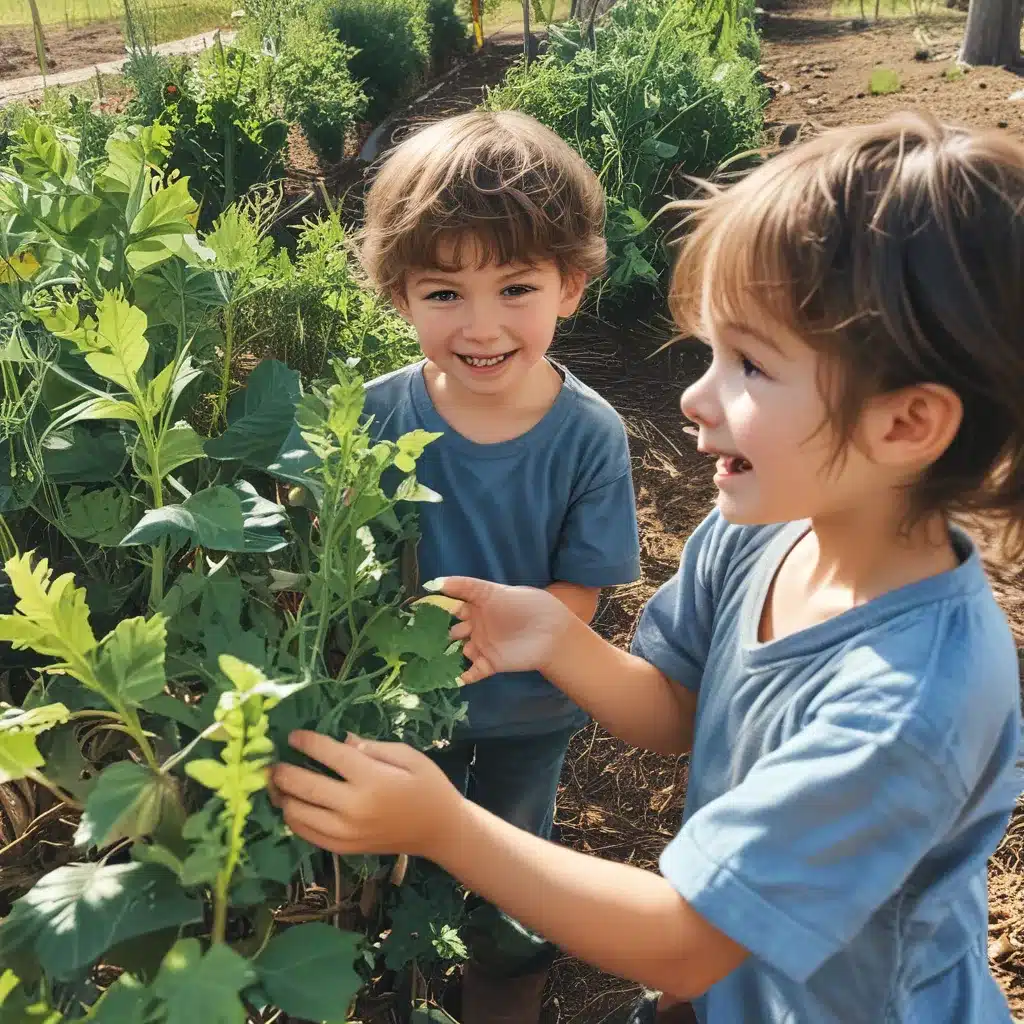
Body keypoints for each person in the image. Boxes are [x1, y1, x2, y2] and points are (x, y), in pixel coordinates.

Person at [270, 112, 1024, 1024]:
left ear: (904, 424)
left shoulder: (912, 701)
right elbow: (681, 716)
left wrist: (444, 825)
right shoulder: (763, 532)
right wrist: (554, 634)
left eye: (749, 365)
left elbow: (686, 936)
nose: (694, 396)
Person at [353, 111, 642, 1021]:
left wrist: (512, 628)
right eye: (444, 294)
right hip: (396, 699)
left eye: (516, 287)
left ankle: (502, 996)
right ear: (398, 294)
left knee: (515, 865)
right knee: (389, 867)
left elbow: (584, 586)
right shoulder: (371, 417)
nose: (481, 327)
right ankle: (391, 984)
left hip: (524, 708)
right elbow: (340, 554)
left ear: (572, 287)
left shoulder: (589, 435)